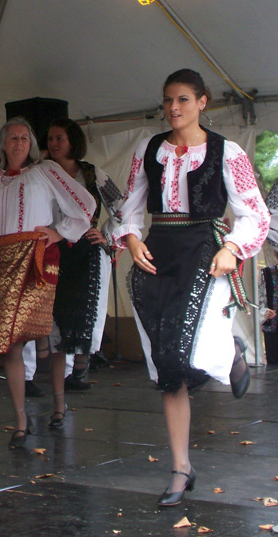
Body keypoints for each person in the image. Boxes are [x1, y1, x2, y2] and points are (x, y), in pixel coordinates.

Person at [112, 69, 270, 506]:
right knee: (168, 363)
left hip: (205, 250)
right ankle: (181, 467)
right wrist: (131, 236)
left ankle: (231, 351)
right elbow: (129, 206)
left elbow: (255, 213)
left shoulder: (226, 151)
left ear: (203, 103)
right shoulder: (149, 150)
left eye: (183, 99)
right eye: (168, 100)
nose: (174, 108)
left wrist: (234, 248)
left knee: (192, 352)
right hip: (159, 251)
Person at [0, 117, 96, 448]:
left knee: (45, 334)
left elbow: (84, 205)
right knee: (9, 340)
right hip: (3, 259)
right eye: (13, 138)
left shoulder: (46, 171)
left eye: (24, 138)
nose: (19, 143)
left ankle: (59, 405)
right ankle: (20, 422)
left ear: (31, 144)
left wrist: (58, 231)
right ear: (2, 143)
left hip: (38, 258)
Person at [23, 118, 123, 403]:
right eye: (51, 139)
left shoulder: (91, 174)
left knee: (85, 309)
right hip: (52, 247)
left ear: (72, 142)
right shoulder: (40, 172)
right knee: (52, 308)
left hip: (87, 250)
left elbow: (121, 206)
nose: (54, 144)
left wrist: (107, 236)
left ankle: (80, 370)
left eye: (60, 139)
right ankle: (52, 368)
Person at [259, 250, 278, 364]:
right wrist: (264, 312)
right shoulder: (266, 273)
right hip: (272, 328)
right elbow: (258, 299)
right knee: (273, 367)